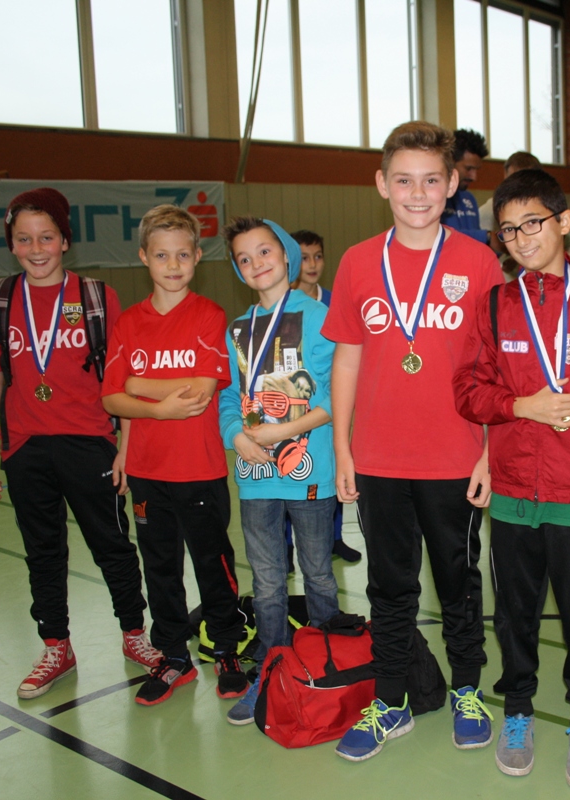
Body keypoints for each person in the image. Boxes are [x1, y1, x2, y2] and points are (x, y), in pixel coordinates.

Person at [452, 167, 570, 790]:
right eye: (508, 230)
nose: (521, 238)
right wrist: (519, 406)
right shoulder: (495, 303)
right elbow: (468, 389)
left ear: (564, 221)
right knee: (514, 617)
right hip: (512, 493)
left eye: (532, 223)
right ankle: (518, 711)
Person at [323, 121, 501, 761]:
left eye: (430, 180)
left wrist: (489, 452)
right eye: (404, 180)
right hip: (379, 459)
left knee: (458, 584)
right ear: (382, 184)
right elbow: (346, 358)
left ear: (452, 184)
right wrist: (343, 449)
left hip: (455, 457)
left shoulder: (477, 261)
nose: (417, 193)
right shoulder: (357, 261)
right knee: (389, 587)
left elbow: (495, 368)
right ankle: (391, 700)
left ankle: (467, 691)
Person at [0, 187, 160, 700]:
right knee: (42, 552)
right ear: (11, 244)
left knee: (112, 546)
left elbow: (122, 379)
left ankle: (134, 634)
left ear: (64, 241)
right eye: (24, 239)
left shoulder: (96, 298)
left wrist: (125, 446)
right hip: (24, 448)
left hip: (90, 442)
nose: (36, 249)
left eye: (46, 237)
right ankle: (56, 646)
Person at [101, 204, 249, 707]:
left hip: (199, 468)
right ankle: (172, 656)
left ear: (197, 257)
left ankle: (226, 648)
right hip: (147, 472)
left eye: (182, 255)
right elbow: (111, 398)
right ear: (144, 257)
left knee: (212, 563)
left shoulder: (208, 315)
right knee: (160, 566)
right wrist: (153, 410)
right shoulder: (128, 323)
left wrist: (139, 385)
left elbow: (202, 391)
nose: (172, 265)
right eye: (162, 255)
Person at [218, 216, 343, 724]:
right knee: (268, 582)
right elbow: (229, 396)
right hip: (255, 479)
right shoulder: (237, 329)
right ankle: (270, 674)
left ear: (287, 255)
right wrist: (238, 436)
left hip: (309, 473)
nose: (256, 263)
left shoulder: (320, 317)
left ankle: (331, 666)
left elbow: (335, 396)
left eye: (265, 251)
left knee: (318, 574)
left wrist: (281, 432)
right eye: (244, 258)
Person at [287, 228, 361, 564]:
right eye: (304, 258)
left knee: (333, 469)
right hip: (295, 403)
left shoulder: (336, 300)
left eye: (318, 256)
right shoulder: (284, 304)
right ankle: (287, 546)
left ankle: (335, 538)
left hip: (332, 402)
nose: (312, 264)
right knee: (289, 472)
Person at [443, 128, 491, 245]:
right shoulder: (433, 198)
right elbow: (436, 235)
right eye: (469, 168)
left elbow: (477, 246)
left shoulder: (469, 199)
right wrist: (486, 237)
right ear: (450, 162)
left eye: (476, 169)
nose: (474, 177)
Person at [481, 150, 543, 240]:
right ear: (505, 177)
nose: (517, 185)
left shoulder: (548, 206)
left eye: (524, 179)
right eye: (513, 179)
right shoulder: (489, 211)